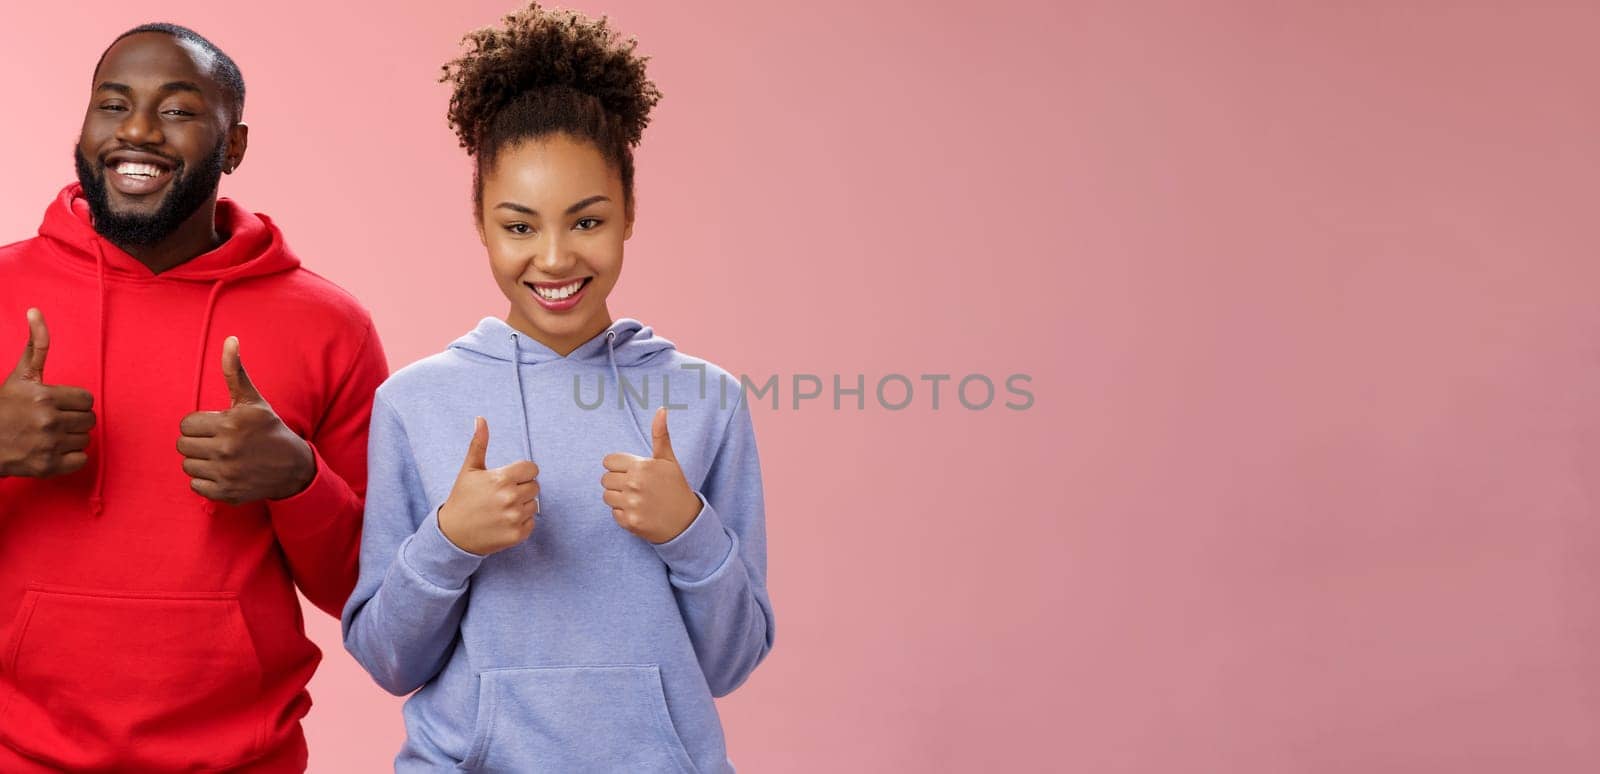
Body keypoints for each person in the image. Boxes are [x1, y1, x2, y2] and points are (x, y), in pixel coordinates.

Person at [341, 3, 774, 771]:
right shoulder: (415, 402)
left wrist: (689, 531)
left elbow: (732, 663)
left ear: (630, 212)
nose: (552, 257)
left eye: (585, 222)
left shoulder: (708, 400)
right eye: (518, 226)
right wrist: (447, 544)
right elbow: (388, 662)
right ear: (480, 222)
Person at [0, 24, 386, 772]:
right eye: (113, 105)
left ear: (233, 146)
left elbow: (369, 596)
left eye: (176, 110)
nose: (137, 131)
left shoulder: (330, 325)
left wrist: (299, 481)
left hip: (245, 760)